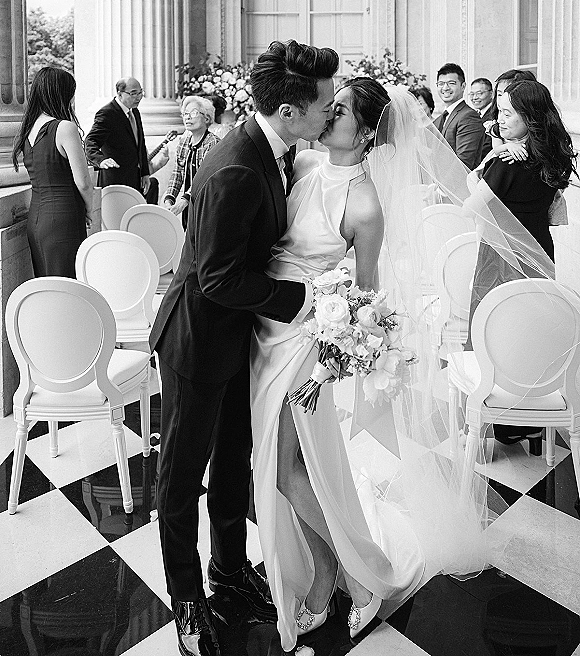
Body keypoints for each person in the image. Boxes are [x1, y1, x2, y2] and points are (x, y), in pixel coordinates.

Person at [250, 78, 529, 652]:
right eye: (332, 105)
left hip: (307, 340)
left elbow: (366, 293)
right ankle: (326, 568)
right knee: (282, 466)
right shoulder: (301, 166)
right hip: (266, 329)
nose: (330, 114)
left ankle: (349, 578)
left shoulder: (366, 203)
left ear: (368, 130)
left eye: (343, 110)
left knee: (287, 468)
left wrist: (337, 356)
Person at [149, 40, 338, 656]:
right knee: (181, 482)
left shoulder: (275, 151)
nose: (331, 108)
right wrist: (301, 299)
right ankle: (187, 604)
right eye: (323, 102)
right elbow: (217, 276)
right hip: (198, 344)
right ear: (289, 110)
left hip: (238, 341)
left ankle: (228, 574)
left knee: (232, 465)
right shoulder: (235, 164)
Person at [465, 79, 576, 447]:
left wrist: (483, 168)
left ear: (528, 117)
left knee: (493, 331)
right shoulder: (553, 156)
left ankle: (499, 423)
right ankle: (530, 417)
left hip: (500, 256)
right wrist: (504, 142)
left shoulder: (505, 164)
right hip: (540, 253)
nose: (500, 117)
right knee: (529, 330)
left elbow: (471, 208)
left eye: (508, 112)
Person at [12, 67, 93, 278]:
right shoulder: (64, 127)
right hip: (64, 217)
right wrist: (90, 209)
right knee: (68, 284)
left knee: (47, 283)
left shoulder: (28, 130)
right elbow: (83, 181)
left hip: (37, 219)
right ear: (61, 94)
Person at [85, 77, 152, 196]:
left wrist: (145, 173)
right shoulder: (107, 113)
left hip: (135, 180)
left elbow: (140, 145)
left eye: (140, 92)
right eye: (133, 93)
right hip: (114, 181)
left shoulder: (135, 112)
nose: (139, 97)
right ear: (120, 94)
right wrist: (101, 160)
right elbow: (90, 141)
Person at [162, 95, 220, 229]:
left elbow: (204, 177)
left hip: (208, 205)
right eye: (185, 114)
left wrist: (184, 200)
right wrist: (169, 198)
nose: (187, 117)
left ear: (207, 118)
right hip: (189, 206)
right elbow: (178, 173)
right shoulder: (183, 142)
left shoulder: (213, 143)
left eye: (193, 113)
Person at [434, 63, 485, 169]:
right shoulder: (438, 120)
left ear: (463, 86)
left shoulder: (469, 116)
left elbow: (464, 161)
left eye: (451, 83)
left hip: (457, 183)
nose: (445, 88)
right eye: (441, 83)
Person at [480, 69, 537, 159]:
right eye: (499, 94)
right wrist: (508, 147)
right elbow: (496, 150)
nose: (502, 98)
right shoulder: (496, 125)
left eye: (508, 93)